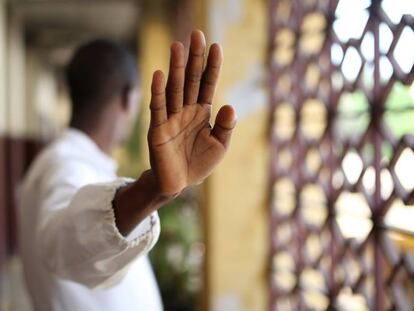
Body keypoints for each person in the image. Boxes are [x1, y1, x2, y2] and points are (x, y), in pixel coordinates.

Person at [18, 30, 237, 311]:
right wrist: (153, 189)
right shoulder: (65, 165)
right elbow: (65, 244)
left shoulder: (62, 162)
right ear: (128, 99)